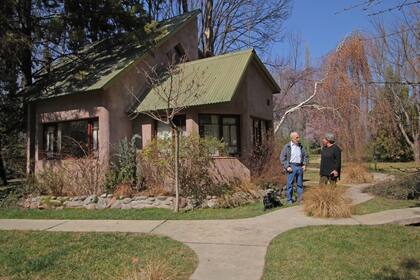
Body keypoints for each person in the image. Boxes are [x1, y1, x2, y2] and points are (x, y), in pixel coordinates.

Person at [280, 132, 308, 205]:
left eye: (299, 137)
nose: (298, 139)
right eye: (297, 138)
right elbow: (282, 157)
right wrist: (287, 166)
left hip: (299, 166)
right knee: (290, 184)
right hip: (291, 167)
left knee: (300, 184)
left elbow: (306, 156)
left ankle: (300, 200)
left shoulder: (301, 146)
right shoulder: (287, 146)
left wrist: (304, 164)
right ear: (292, 138)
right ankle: (289, 200)